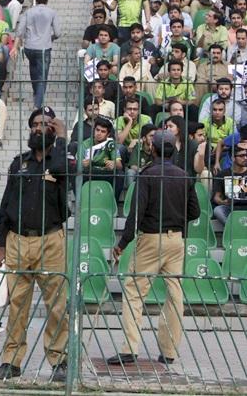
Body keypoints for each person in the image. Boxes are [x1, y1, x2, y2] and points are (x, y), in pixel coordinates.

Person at [109, 130, 201, 367]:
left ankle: (130, 349)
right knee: (174, 294)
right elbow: (195, 212)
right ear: (175, 150)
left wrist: (122, 244)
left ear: (153, 149)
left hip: (150, 238)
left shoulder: (147, 175)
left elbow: (135, 215)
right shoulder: (183, 176)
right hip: (176, 240)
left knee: (134, 292)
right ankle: (169, 351)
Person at [0, 106, 69, 382]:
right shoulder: (19, 163)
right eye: (36, 123)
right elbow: (6, 202)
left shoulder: (60, 160)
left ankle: (59, 361)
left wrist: (61, 137)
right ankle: (11, 361)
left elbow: (61, 169)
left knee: (57, 305)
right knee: (17, 305)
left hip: (50, 240)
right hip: (18, 241)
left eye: (46, 124)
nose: (40, 128)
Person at [10, 0, 60, 109]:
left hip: (29, 47)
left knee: (33, 70)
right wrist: (51, 37)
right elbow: (58, 33)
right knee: (42, 76)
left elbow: (20, 31)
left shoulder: (28, 12)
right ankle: (37, 104)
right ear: (47, 0)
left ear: (36, 0)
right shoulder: (52, 12)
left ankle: (36, 93)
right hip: (44, 48)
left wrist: (15, 47)